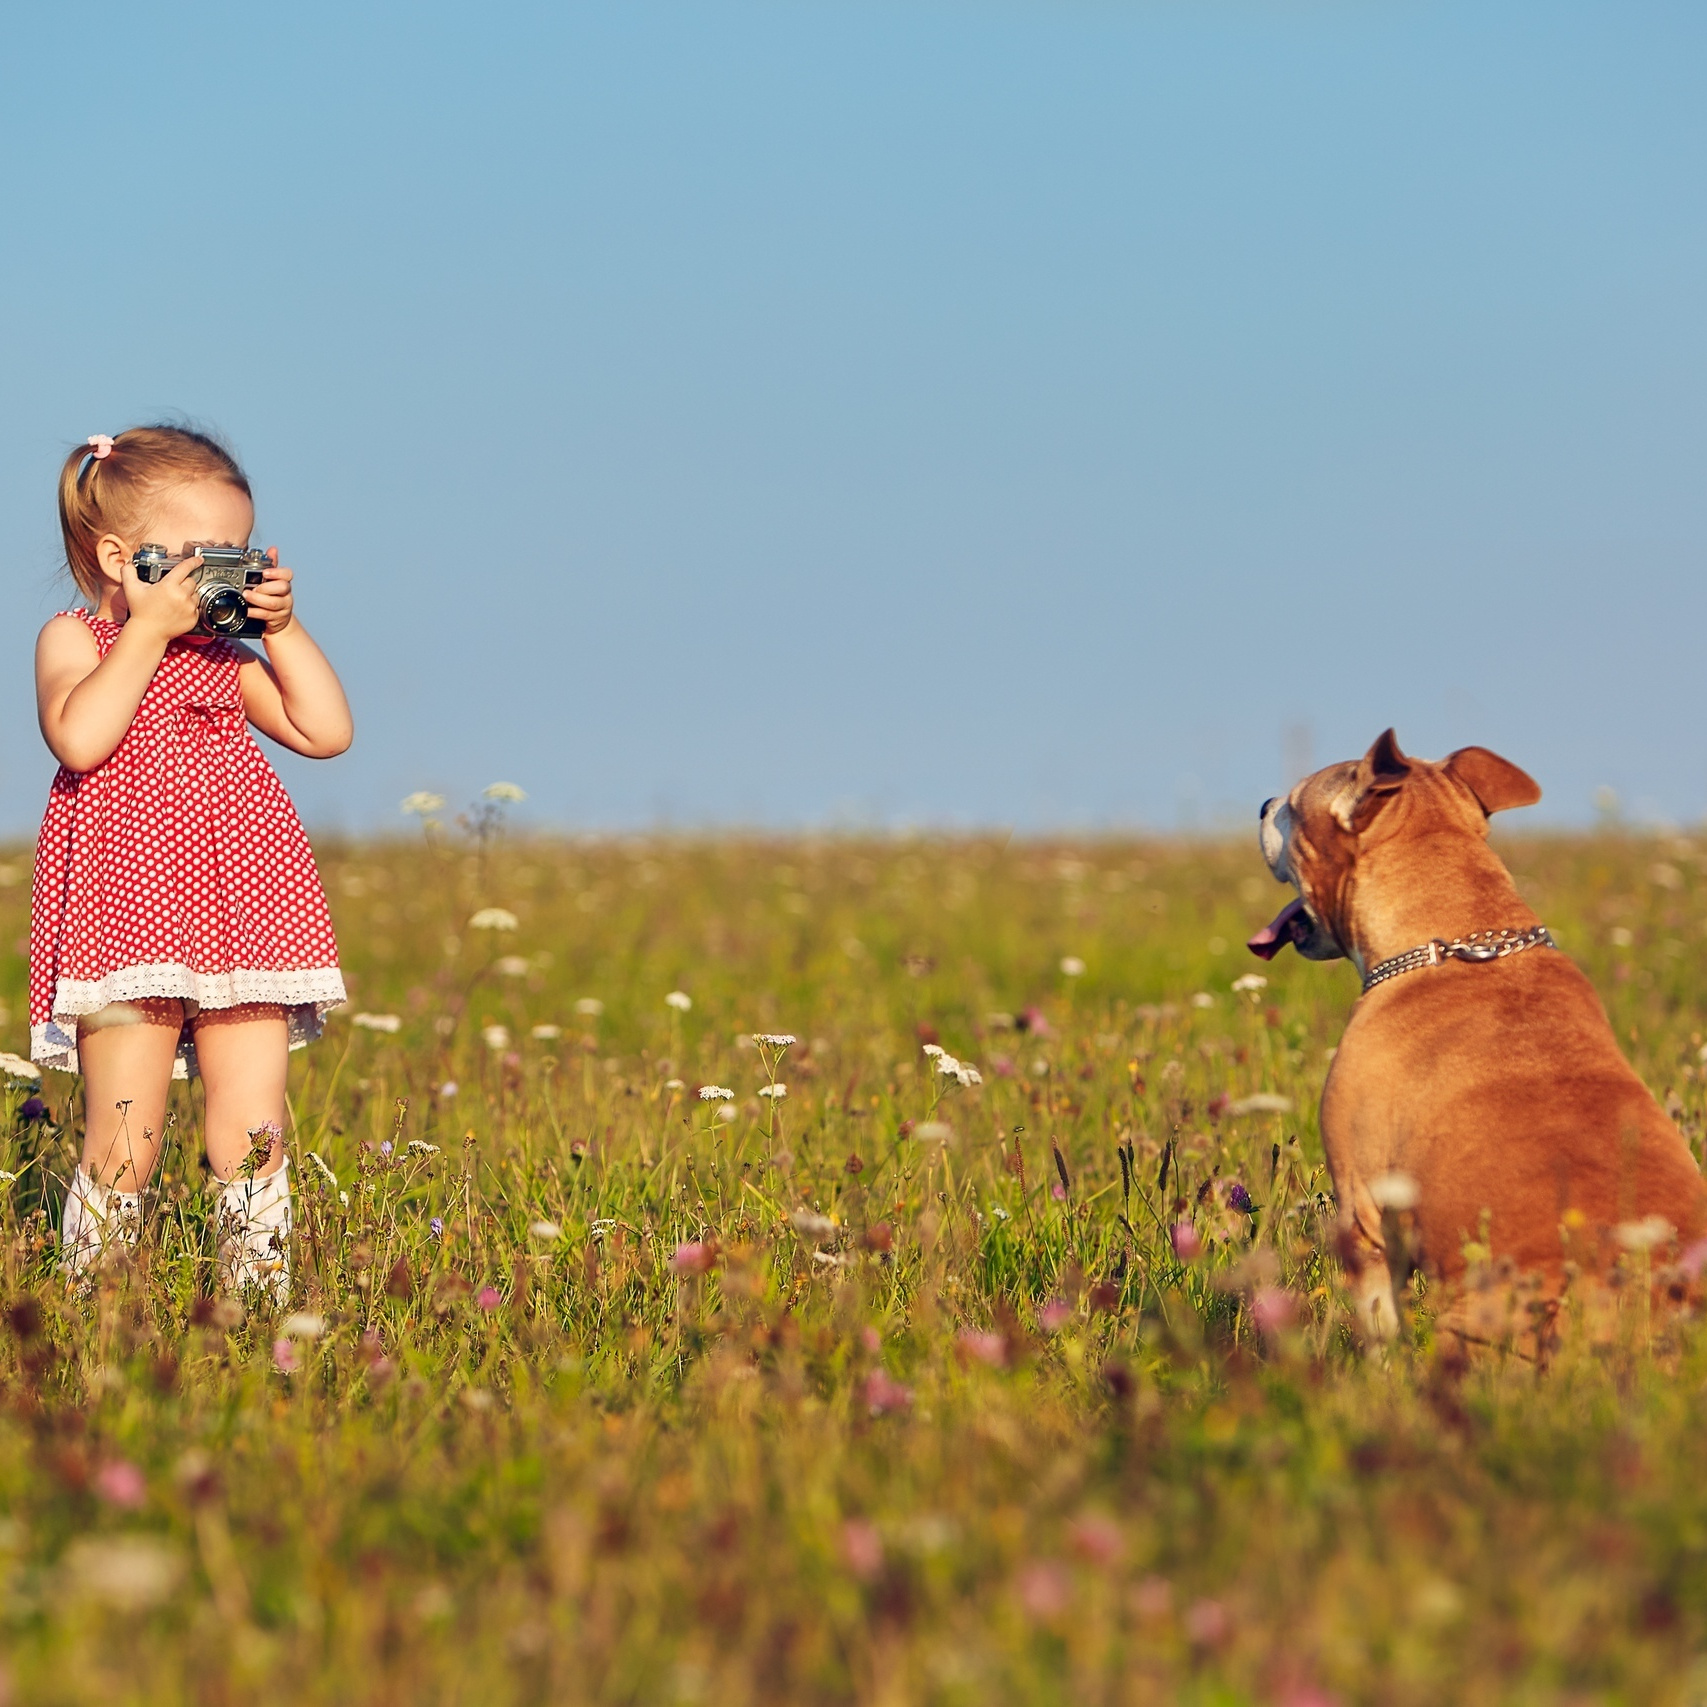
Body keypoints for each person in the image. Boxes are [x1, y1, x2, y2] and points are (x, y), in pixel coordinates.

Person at [30, 426, 351, 1298]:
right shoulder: (75, 641)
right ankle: (95, 1304)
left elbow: (326, 732)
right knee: (124, 1135)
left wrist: (282, 628)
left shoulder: (226, 661)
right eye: (198, 557)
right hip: (124, 917)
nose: (218, 576)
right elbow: (80, 738)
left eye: (235, 555)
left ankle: (258, 1300)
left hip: (244, 913)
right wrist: (147, 632)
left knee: (253, 1126)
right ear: (118, 558)